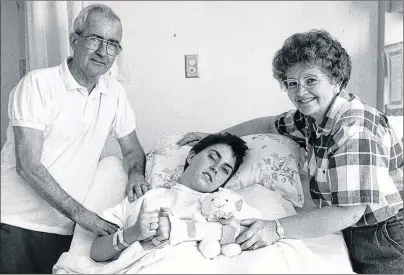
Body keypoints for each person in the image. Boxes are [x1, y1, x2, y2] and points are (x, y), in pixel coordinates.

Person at [177, 30, 403, 274]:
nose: (300, 92)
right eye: (291, 84)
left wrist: (276, 228)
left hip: (386, 236)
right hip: (361, 232)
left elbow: (348, 212)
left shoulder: (353, 129)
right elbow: (267, 124)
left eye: (311, 80)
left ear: (336, 79)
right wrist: (214, 136)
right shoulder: (312, 118)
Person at [0, 4, 149, 273]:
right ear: (74, 40)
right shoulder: (38, 84)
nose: (104, 52)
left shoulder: (114, 93)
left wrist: (136, 174)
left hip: (68, 232)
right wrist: (83, 215)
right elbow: (28, 165)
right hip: (15, 224)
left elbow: (132, 150)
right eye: (95, 39)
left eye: (113, 44)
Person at [89, 133, 250, 262]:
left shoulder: (225, 205)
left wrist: (182, 229)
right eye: (213, 157)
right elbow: (96, 251)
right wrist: (133, 234)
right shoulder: (145, 196)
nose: (215, 168)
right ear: (191, 156)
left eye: (225, 170)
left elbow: (253, 231)